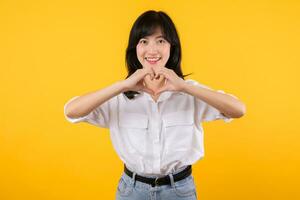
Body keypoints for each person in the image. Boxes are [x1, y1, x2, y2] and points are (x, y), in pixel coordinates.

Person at [64, 10, 246, 200]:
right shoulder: (119, 96)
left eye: (161, 41)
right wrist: (123, 85)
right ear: (135, 48)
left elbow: (238, 109)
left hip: (179, 191)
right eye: (144, 41)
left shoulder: (189, 92)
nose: (152, 50)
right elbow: (71, 111)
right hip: (131, 191)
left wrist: (184, 86)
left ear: (171, 47)